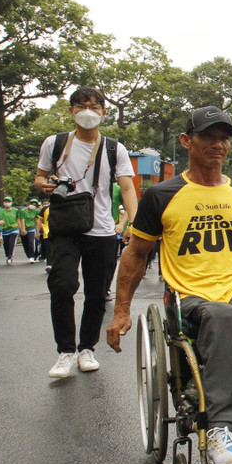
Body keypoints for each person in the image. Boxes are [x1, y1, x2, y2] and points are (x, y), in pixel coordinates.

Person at [106, 105, 232, 464]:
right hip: (189, 295)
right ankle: (221, 430)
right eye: (208, 136)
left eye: (224, 137)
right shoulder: (162, 195)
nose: (218, 143)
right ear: (186, 141)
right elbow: (135, 254)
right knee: (221, 315)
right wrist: (121, 310)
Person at [34, 87, 138, 379]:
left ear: (104, 112)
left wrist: (134, 224)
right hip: (66, 227)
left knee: (96, 293)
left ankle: (86, 349)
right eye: (81, 106)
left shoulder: (114, 148)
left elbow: (128, 187)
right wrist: (45, 184)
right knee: (62, 285)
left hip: (102, 230)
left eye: (94, 107)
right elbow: (40, 176)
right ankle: (65, 351)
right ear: (71, 111)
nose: (88, 112)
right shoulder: (54, 144)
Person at [17, 198, 40, 263]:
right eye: (32, 204)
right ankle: (29, 256)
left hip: (31, 228)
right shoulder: (23, 211)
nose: (33, 205)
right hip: (24, 227)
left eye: (35, 205)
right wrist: (23, 229)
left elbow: (37, 220)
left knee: (31, 242)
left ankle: (32, 256)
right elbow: (22, 220)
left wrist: (37, 231)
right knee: (25, 243)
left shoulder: (35, 211)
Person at [0, 196, 20, 264]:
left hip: (14, 228)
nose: (7, 203)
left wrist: (20, 228)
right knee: (6, 244)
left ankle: (10, 257)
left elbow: (18, 219)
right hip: (5, 229)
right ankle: (8, 255)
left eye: (8, 201)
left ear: (11, 202)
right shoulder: (1, 211)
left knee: (11, 243)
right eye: (6, 201)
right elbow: (0, 220)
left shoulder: (15, 210)